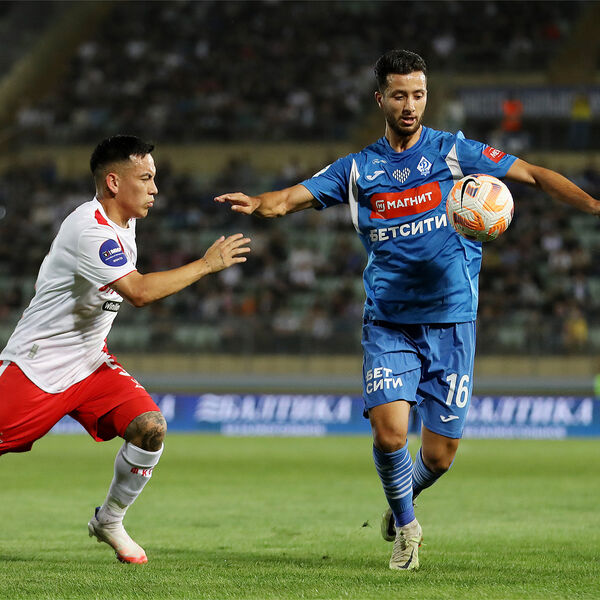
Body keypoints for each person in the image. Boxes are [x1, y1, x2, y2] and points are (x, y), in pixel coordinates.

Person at [215, 49, 600, 571]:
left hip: (452, 323)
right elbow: (288, 199)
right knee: (390, 431)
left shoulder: (453, 153)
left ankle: (402, 499)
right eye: (399, 95)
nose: (410, 105)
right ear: (380, 99)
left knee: (439, 457)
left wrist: (594, 206)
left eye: (418, 94)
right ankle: (408, 528)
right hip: (389, 323)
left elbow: (530, 173)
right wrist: (258, 202)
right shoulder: (359, 169)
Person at [0, 135, 250, 564]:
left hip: (90, 363)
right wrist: (207, 264)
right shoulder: (90, 229)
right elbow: (139, 292)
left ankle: (110, 520)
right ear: (114, 182)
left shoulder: (126, 224)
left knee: (149, 427)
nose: (155, 189)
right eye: (146, 178)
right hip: (38, 366)